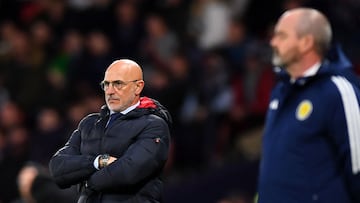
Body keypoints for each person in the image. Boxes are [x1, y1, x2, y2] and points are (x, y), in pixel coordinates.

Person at [257, 8, 360, 203]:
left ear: (306, 42)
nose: (273, 42)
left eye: (281, 36)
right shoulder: (280, 92)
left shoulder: (337, 90)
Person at [49, 59, 172, 203]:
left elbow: (128, 172)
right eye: (106, 84)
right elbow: (58, 168)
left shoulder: (153, 125)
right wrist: (98, 161)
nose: (110, 91)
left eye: (118, 84)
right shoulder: (89, 124)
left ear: (138, 87)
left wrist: (85, 180)